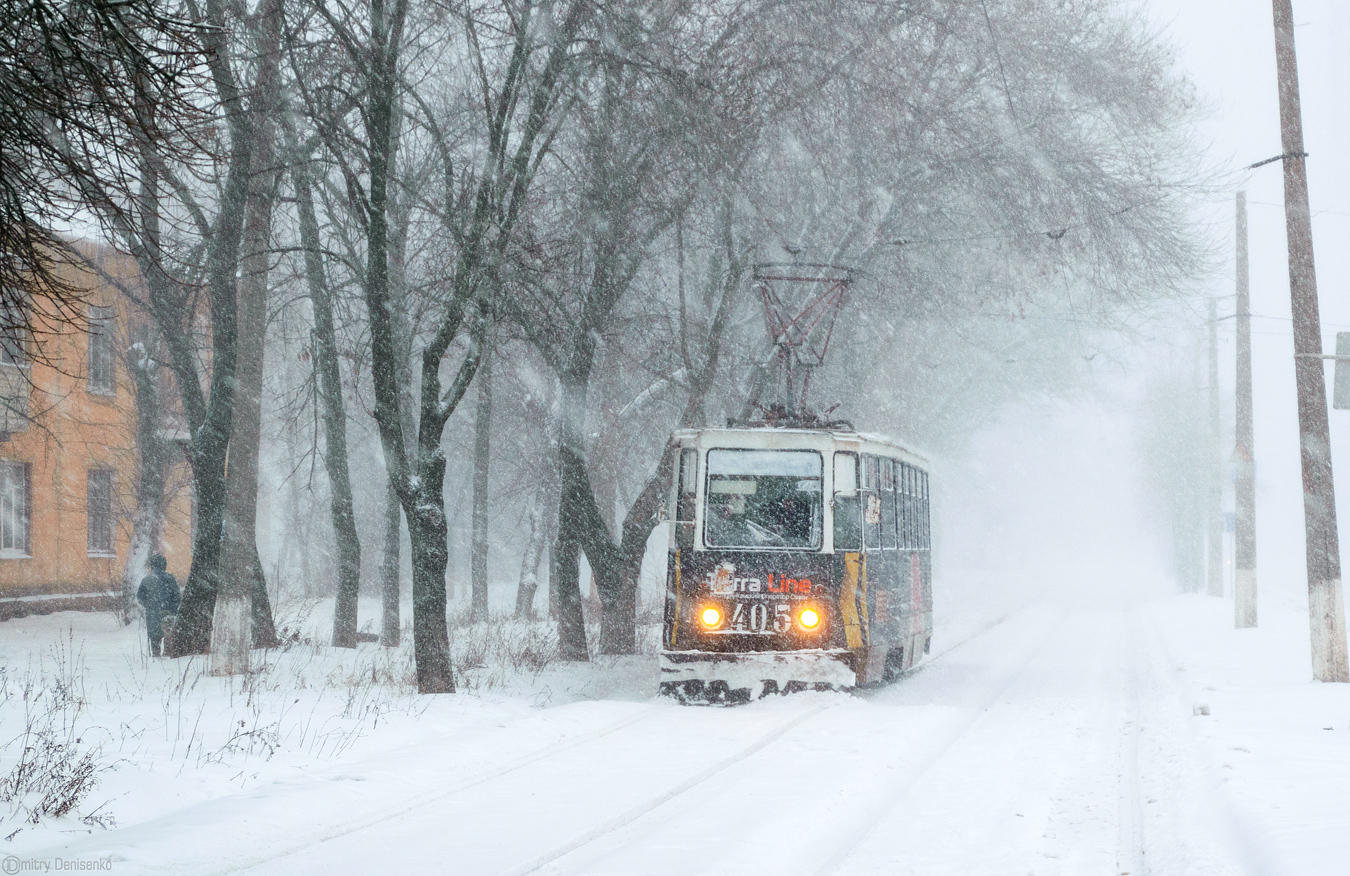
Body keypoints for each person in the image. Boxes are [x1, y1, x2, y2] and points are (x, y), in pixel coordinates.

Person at [137, 554, 180, 657]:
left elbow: (140, 597)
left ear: (152, 565)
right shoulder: (170, 579)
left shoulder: (146, 580)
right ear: (164, 565)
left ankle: (156, 657)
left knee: (154, 637)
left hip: (152, 614)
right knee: (168, 636)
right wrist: (173, 608)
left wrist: (148, 605)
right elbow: (177, 596)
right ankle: (167, 655)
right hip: (168, 613)